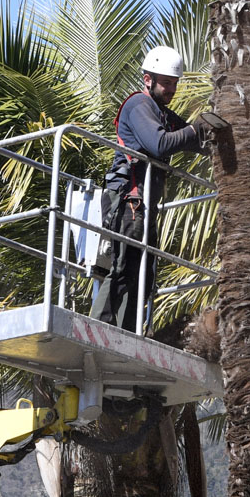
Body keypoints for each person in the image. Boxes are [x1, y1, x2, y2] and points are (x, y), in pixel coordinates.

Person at [90, 46, 213, 332]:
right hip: (127, 199)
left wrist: (217, 134)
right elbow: (159, 143)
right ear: (148, 80)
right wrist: (195, 130)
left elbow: (194, 141)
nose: (172, 89)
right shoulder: (139, 106)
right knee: (122, 269)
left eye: (174, 83)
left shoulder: (162, 113)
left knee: (141, 275)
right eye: (166, 83)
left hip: (144, 206)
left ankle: (128, 332)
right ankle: (97, 329)